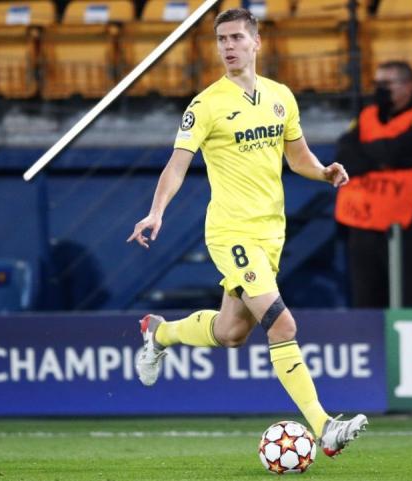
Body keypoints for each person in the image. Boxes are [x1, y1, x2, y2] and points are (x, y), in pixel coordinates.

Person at [127, 8, 367, 457]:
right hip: (231, 233)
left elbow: (297, 156)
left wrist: (323, 172)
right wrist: (156, 212)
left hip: (271, 233)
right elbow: (176, 165)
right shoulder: (205, 105)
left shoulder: (281, 96)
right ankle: (324, 427)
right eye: (221, 39)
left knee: (232, 332)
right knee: (283, 324)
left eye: (236, 37)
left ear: (256, 42)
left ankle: (159, 333)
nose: (228, 46)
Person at [334, 61, 412, 308]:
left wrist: (370, 155)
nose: (380, 90)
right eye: (377, 84)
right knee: (366, 300)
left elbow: (396, 152)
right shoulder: (366, 117)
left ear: (409, 86)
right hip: (363, 225)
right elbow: (345, 156)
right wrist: (381, 158)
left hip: (408, 225)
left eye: (387, 84)